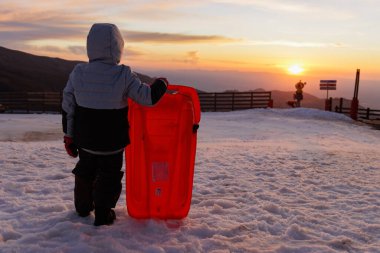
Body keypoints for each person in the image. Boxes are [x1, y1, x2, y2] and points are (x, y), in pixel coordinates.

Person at [61, 23, 168, 226]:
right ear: (119, 47)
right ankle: (103, 213)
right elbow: (148, 98)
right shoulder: (124, 74)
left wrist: (69, 135)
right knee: (109, 177)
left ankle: (83, 207)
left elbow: (68, 106)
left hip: (85, 140)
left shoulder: (78, 72)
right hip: (112, 143)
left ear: (89, 46)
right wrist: (162, 83)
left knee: (85, 170)